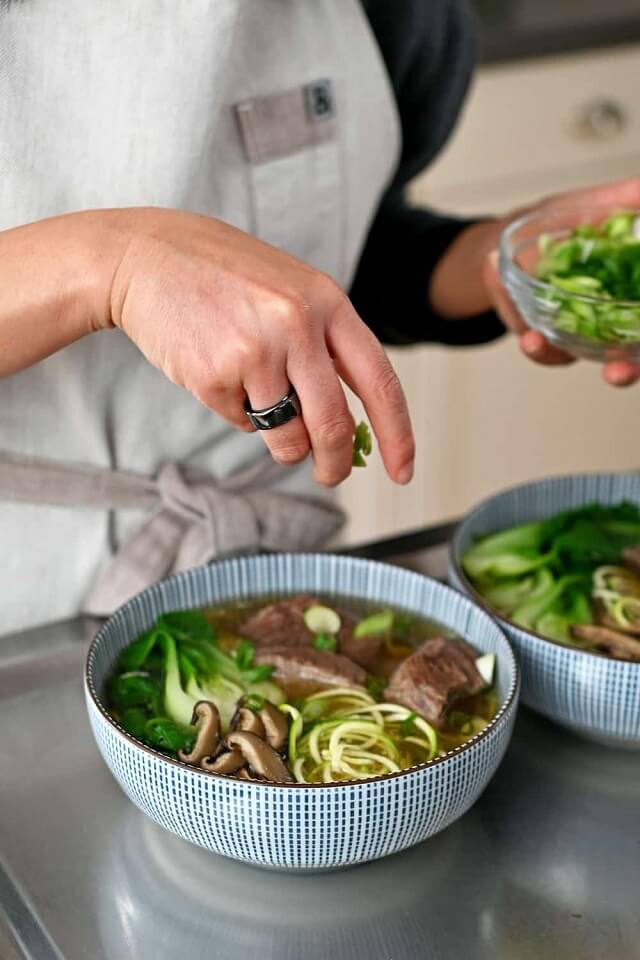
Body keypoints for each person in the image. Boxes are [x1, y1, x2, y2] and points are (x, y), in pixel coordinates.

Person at [1, 0, 637, 635]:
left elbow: (341, 247)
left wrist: (494, 261)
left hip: (266, 569)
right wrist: (113, 265)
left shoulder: (405, 17)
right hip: (26, 593)